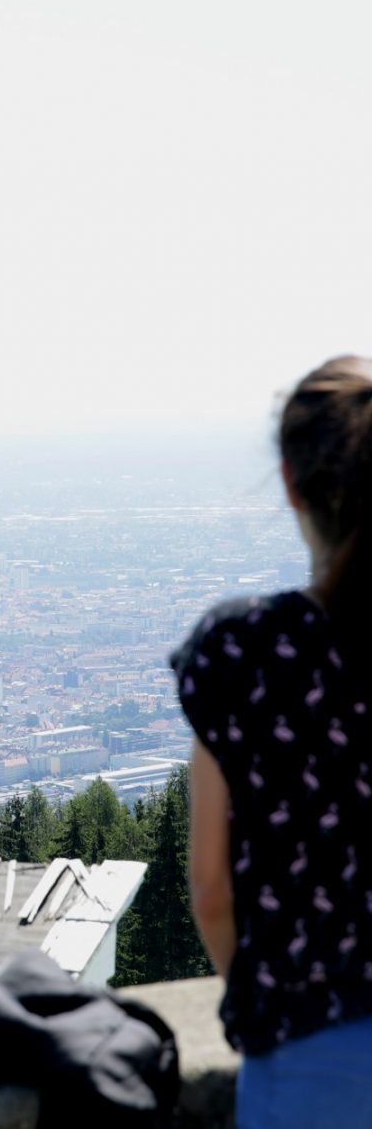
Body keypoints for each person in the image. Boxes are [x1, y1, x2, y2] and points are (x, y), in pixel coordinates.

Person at [172, 355, 372, 1128]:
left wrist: (263, 1005)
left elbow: (212, 890)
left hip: (306, 1066)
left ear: (290, 482)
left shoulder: (244, 656)